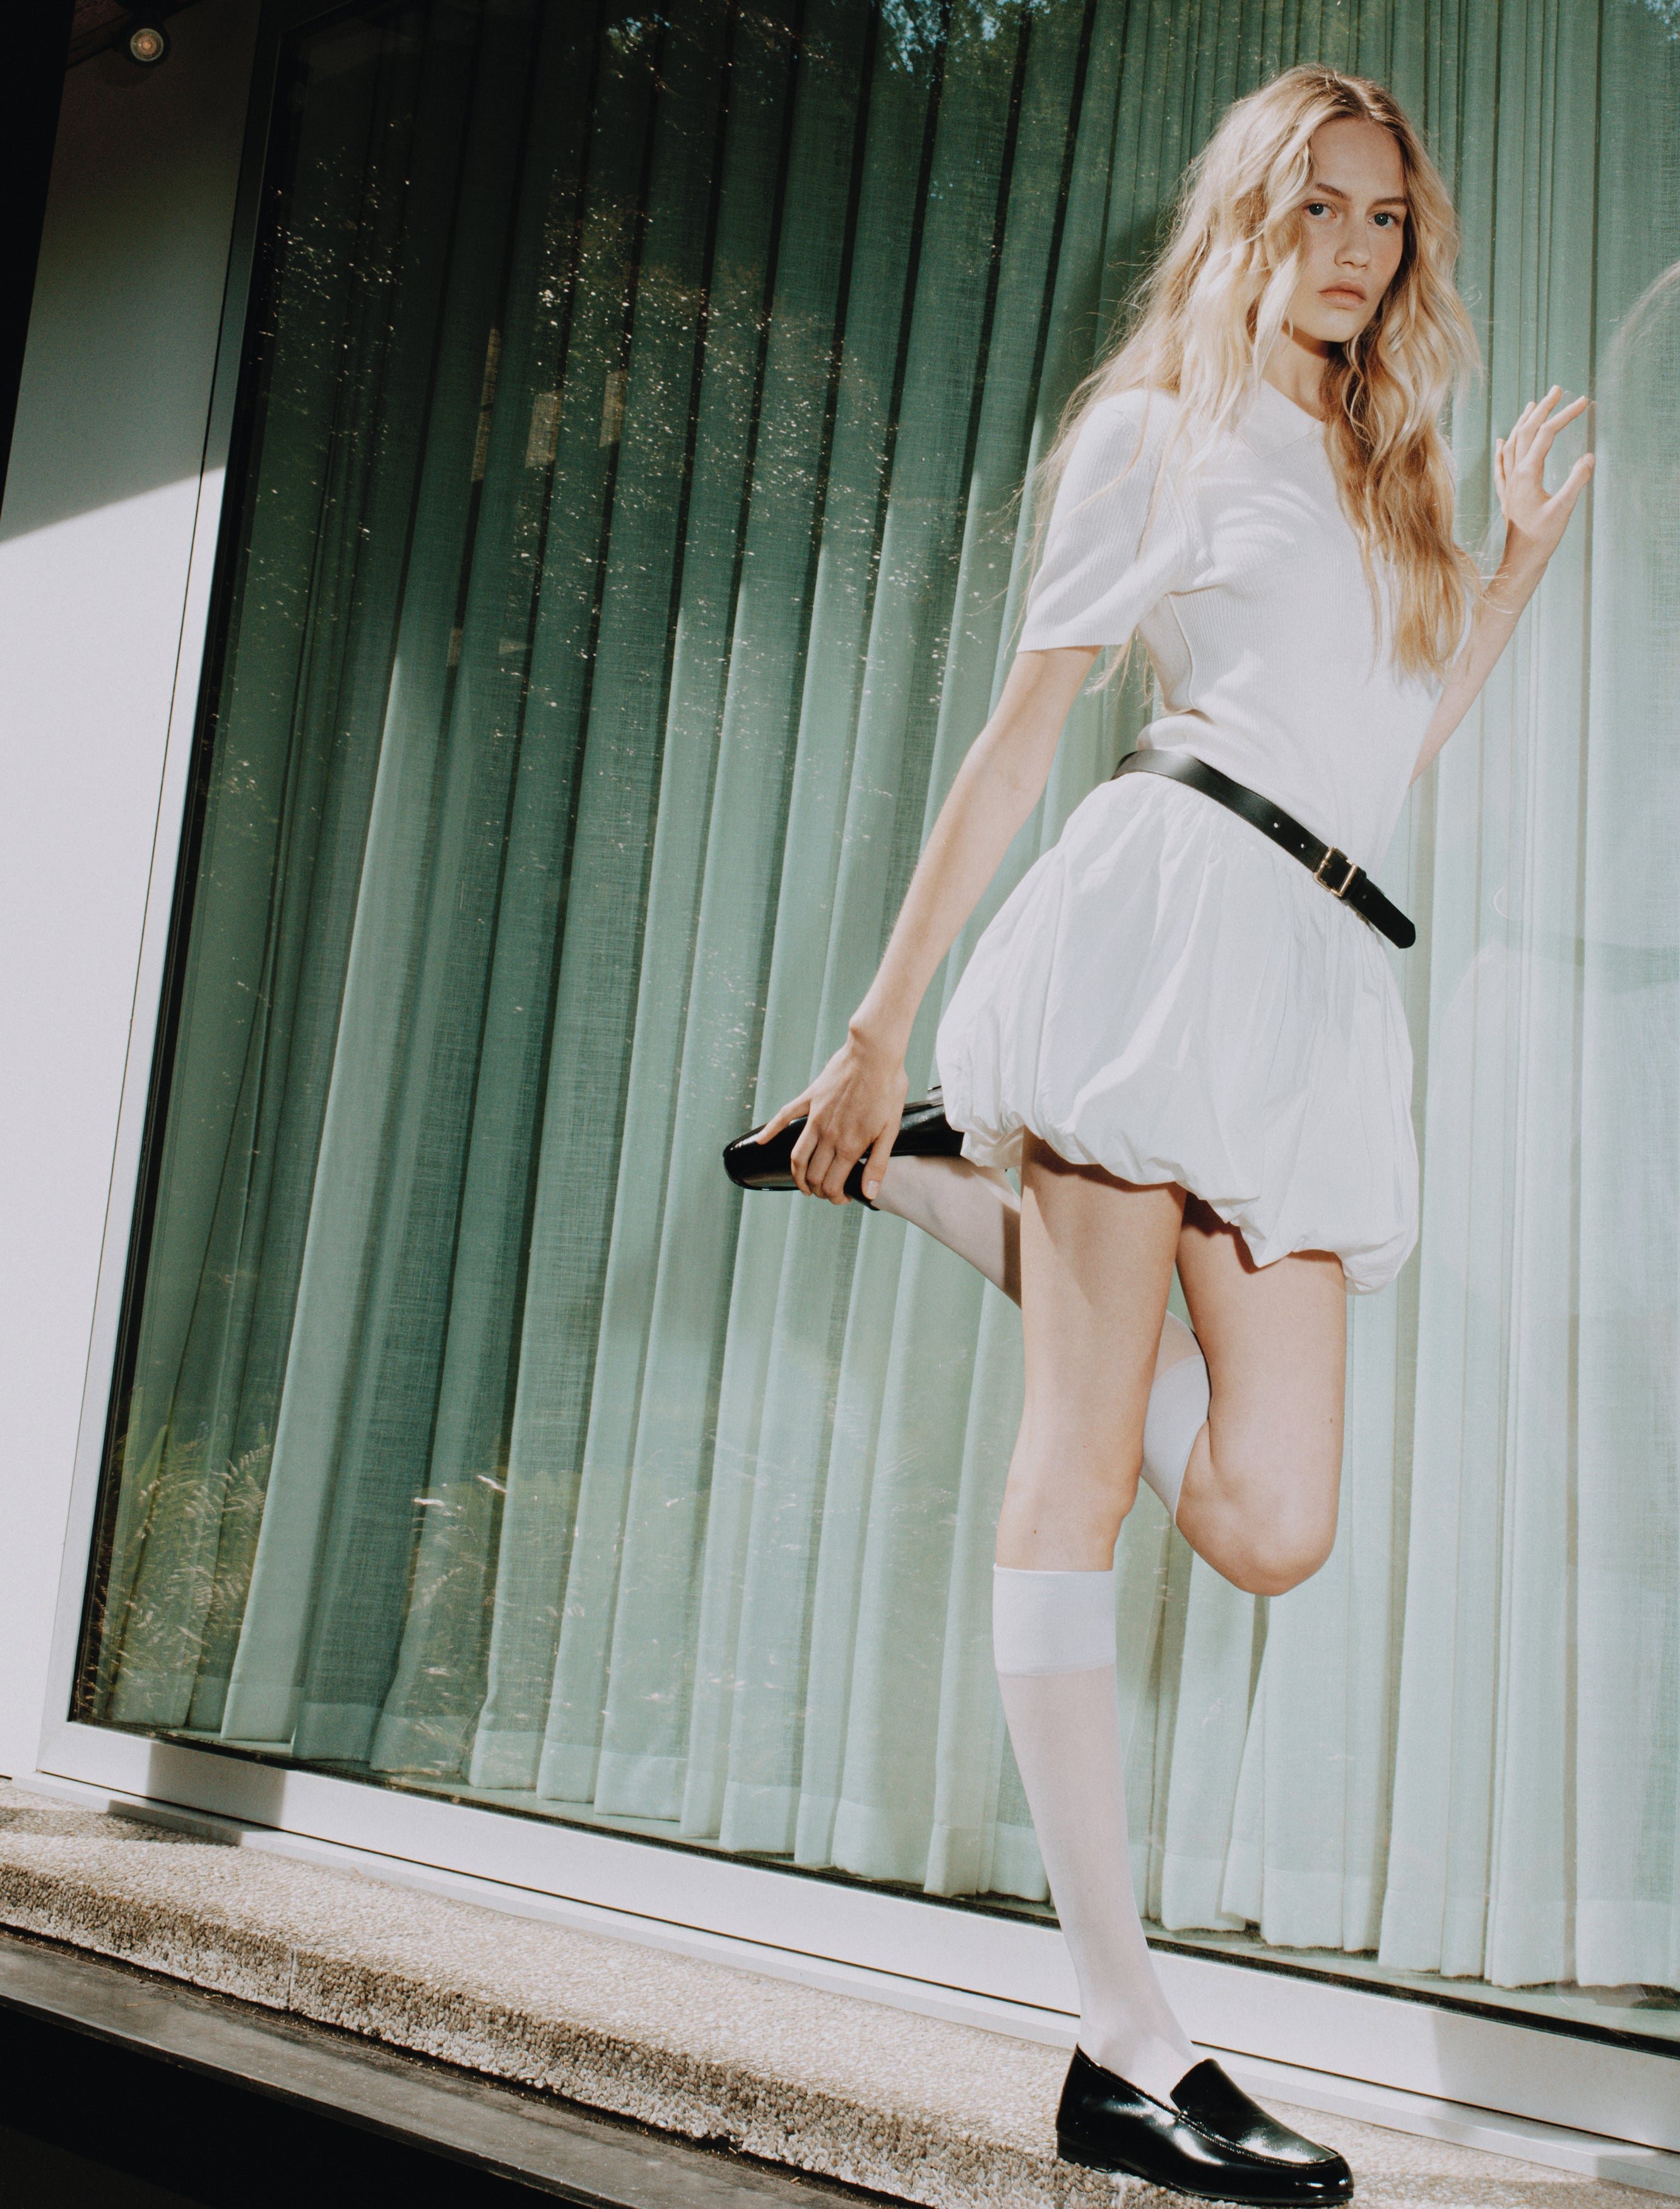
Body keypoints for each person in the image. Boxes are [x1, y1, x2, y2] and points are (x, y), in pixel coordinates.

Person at [749, 61, 1592, 2206]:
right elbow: (1021, 739)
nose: (1355, 249)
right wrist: (877, 1025)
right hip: (1168, 918)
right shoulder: (1159, 433)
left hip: (1318, 972)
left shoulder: (1384, 459)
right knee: (1085, 1457)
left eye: (1387, 219)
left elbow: (1385, 745)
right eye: (1320, 206)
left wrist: (1507, 569)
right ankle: (1126, 2045)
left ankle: (941, 1184)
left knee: (1272, 1514)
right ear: (1249, 216)